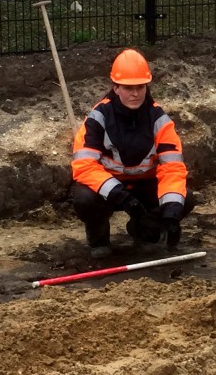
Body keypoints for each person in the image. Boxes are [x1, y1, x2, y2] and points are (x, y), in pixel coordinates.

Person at [71, 48, 196, 258]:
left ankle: (144, 230)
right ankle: (99, 239)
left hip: (146, 185)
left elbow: (172, 168)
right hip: (110, 188)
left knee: (185, 198)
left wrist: (172, 216)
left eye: (140, 87)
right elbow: (84, 167)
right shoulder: (97, 118)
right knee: (85, 198)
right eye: (128, 88)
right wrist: (119, 195)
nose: (135, 93)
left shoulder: (159, 120)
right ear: (116, 87)